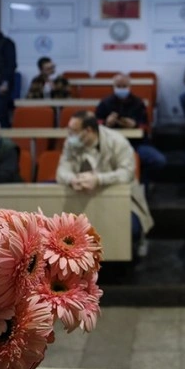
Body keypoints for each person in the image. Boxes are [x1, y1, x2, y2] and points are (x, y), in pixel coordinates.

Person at [55, 111, 154, 254]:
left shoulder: (117, 142)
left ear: (88, 130)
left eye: (74, 131)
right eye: (69, 130)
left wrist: (99, 179)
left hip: (120, 199)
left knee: (132, 229)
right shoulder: (71, 143)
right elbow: (62, 171)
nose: (70, 135)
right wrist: (71, 179)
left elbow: (127, 173)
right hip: (81, 196)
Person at [95, 74, 166, 181]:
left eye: (124, 86)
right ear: (113, 86)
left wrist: (135, 125)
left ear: (129, 86)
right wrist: (106, 123)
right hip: (111, 144)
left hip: (136, 144)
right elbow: (95, 124)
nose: (121, 89)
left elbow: (145, 126)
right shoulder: (105, 103)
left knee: (159, 160)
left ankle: (142, 182)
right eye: (119, 86)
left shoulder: (138, 103)